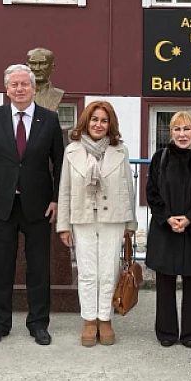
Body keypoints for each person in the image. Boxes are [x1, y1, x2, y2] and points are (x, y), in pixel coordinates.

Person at [0, 64, 65, 347]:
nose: (19, 89)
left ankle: (38, 323)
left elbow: (60, 162)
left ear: (33, 88)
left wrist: (56, 199)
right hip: (2, 205)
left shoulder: (49, 119)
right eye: (14, 85)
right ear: (7, 89)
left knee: (39, 268)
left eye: (24, 84)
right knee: (2, 267)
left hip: (39, 205)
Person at [56, 101, 137, 346]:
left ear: (110, 124)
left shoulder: (119, 151)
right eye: (94, 120)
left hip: (112, 218)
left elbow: (128, 188)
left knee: (108, 272)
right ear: (85, 122)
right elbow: (65, 189)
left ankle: (105, 319)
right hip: (83, 218)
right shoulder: (72, 151)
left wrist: (130, 223)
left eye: (103, 120)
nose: (98, 125)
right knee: (88, 272)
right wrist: (63, 225)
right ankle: (89, 320)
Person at [145, 111, 191, 348]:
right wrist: (167, 218)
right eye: (177, 129)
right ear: (170, 132)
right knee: (165, 282)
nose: (182, 134)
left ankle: (190, 333)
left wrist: (189, 218)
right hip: (164, 228)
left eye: (187, 129)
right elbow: (152, 192)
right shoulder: (160, 157)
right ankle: (166, 331)